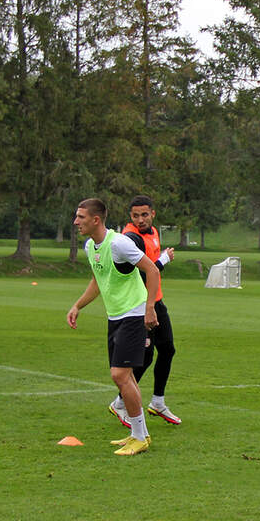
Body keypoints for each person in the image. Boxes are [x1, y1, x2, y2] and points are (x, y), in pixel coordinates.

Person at [66, 198, 161, 456]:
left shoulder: (119, 244)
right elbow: (99, 280)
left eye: (81, 217)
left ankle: (139, 437)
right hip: (115, 316)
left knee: (119, 375)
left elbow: (152, 271)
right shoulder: (90, 247)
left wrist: (150, 308)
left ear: (96, 220)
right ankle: (137, 434)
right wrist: (78, 306)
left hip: (134, 313)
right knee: (125, 377)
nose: (76, 222)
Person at [106, 195, 181, 427]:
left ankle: (157, 402)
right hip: (140, 306)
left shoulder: (154, 232)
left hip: (156, 301)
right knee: (144, 357)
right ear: (130, 216)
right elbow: (140, 274)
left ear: (153, 214)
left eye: (144, 215)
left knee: (167, 350)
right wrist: (164, 259)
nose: (140, 220)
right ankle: (120, 401)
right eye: (135, 215)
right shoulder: (130, 239)